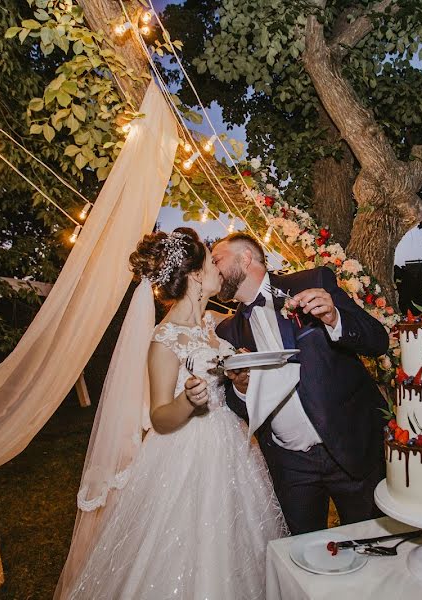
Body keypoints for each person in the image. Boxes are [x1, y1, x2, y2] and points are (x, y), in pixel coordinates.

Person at [55, 228, 287, 600]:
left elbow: (227, 380)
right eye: (212, 262)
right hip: (185, 455)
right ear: (196, 275)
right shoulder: (164, 339)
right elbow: (160, 417)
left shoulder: (213, 325)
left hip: (229, 446)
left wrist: (238, 374)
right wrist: (188, 402)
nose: (218, 269)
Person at [212, 232, 390, 535]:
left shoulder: (311, 282)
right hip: (289, 464)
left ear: (245, 258)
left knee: (370, 544)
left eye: (217, 260)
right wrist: (242, 387)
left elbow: (377, 340)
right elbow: (234, 406)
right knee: (302, 558)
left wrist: (335, 318)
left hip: (350, 448)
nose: (213, 268)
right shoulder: (229, 331)